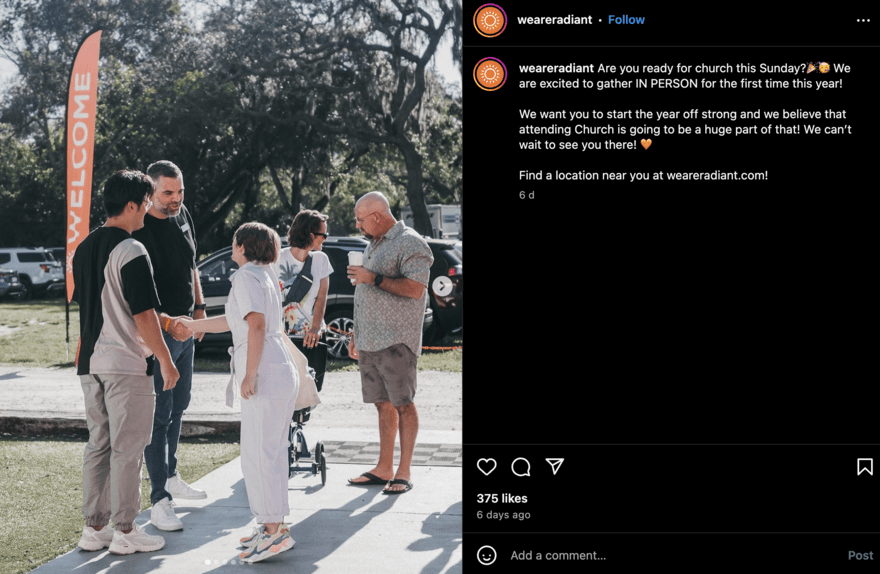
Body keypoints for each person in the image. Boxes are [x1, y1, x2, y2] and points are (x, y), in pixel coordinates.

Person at [72, 170, 180, 554]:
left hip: (90, 365)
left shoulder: (82, 248)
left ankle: (94, 528)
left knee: (98, 445)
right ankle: (126, 530)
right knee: (127, 449)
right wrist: (166, 361)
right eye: (147, 202)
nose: (149, 209)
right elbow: (142, 314)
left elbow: (95, 307)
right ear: (132, 204)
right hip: (124, 364)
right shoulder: (133, 249)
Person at [181, 222, 299, 563]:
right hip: (276, 365)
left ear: (243, 246)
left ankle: (274, 530)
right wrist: (192, 326)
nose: (231, 245)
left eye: (234, 241)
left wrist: (250, 375)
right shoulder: (262, 275)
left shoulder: (246, 277)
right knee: (267, 452)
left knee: (261, 454)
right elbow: (239, 322)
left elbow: (257, 326)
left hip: (265, 368)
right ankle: (270, 524)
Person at [131, 160, 207, 531]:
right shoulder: (140, 228)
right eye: (168, 194)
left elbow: (191, 264)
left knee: (180, 405)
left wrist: (200, 306)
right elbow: (140, 296)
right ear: (151, 193)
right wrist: (168, 327)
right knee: (158, 418)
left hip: (187, 328)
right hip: (159, 334)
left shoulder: (183, 214)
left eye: (180, 192)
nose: (176, 199)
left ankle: (172, 474)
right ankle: (159, 498)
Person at [346, 191, 433, 494]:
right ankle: (383, 468)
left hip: (397, 340)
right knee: (383, 405)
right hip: (370, 339)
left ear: (378, 217)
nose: (358, 226)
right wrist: (357, 332)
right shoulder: (374, 243)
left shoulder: (411, 242)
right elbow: (364, 294)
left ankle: (404, 471)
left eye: (361, 220)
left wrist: (375, 279)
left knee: (403, 404)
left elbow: (415, 289)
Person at [272, 209, 332, 391]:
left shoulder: (321, 260)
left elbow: (322, 298)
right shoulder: (277, 258)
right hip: (281, 334)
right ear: (311, 235)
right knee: (282, 386)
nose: (325, 239)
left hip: (309, 336)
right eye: (324, 234)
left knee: (307, 386)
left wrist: (315, 328)